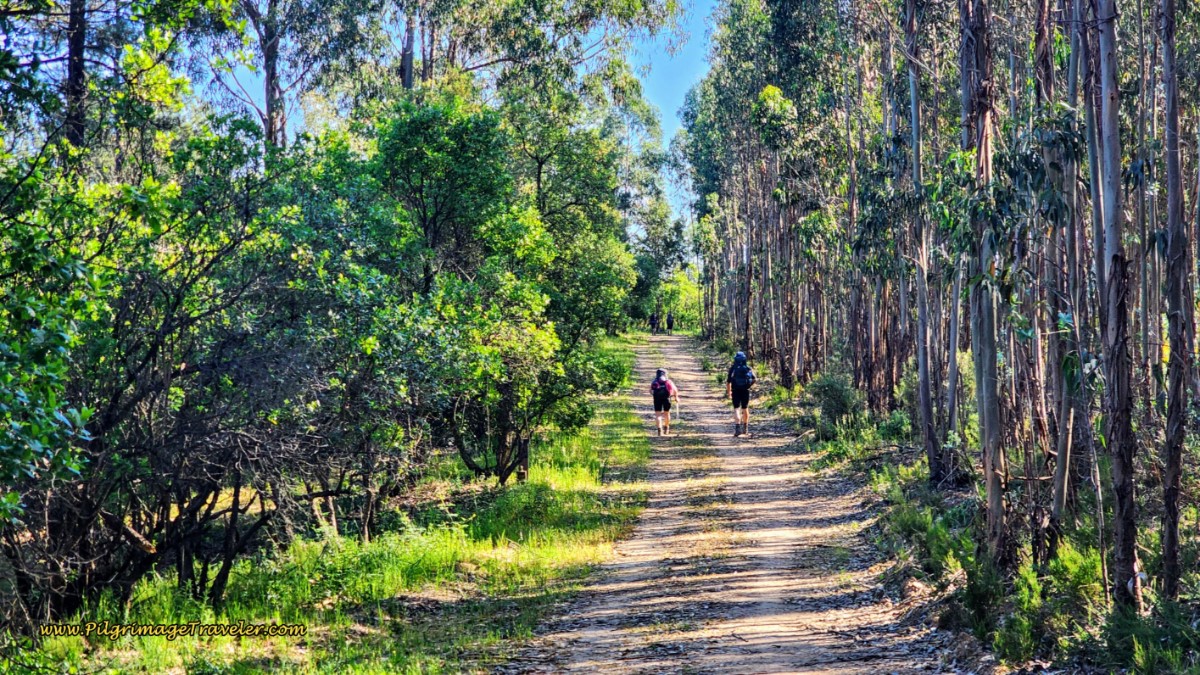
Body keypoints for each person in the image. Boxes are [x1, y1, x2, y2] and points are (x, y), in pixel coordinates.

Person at [726, 351, 757, 437]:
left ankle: (737, 429)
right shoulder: (748, 368)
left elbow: (728, 382)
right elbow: (754, 379)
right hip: (745, 390)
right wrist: (748, 385)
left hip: (735, 390)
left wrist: (729, 392)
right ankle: (745, 429)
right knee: (745, 408)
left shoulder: (733, 368)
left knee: (736, 408)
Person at [650, 368, 680, 436]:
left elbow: (650, 391)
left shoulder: (655, 381)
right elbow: (675, 389)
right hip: (667, 398)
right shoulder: (668, 381)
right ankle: (666, 429)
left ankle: (659, 431)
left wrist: (654, 395)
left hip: (657, 398)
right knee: (667, 413)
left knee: (658, 415)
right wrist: (676, 397)